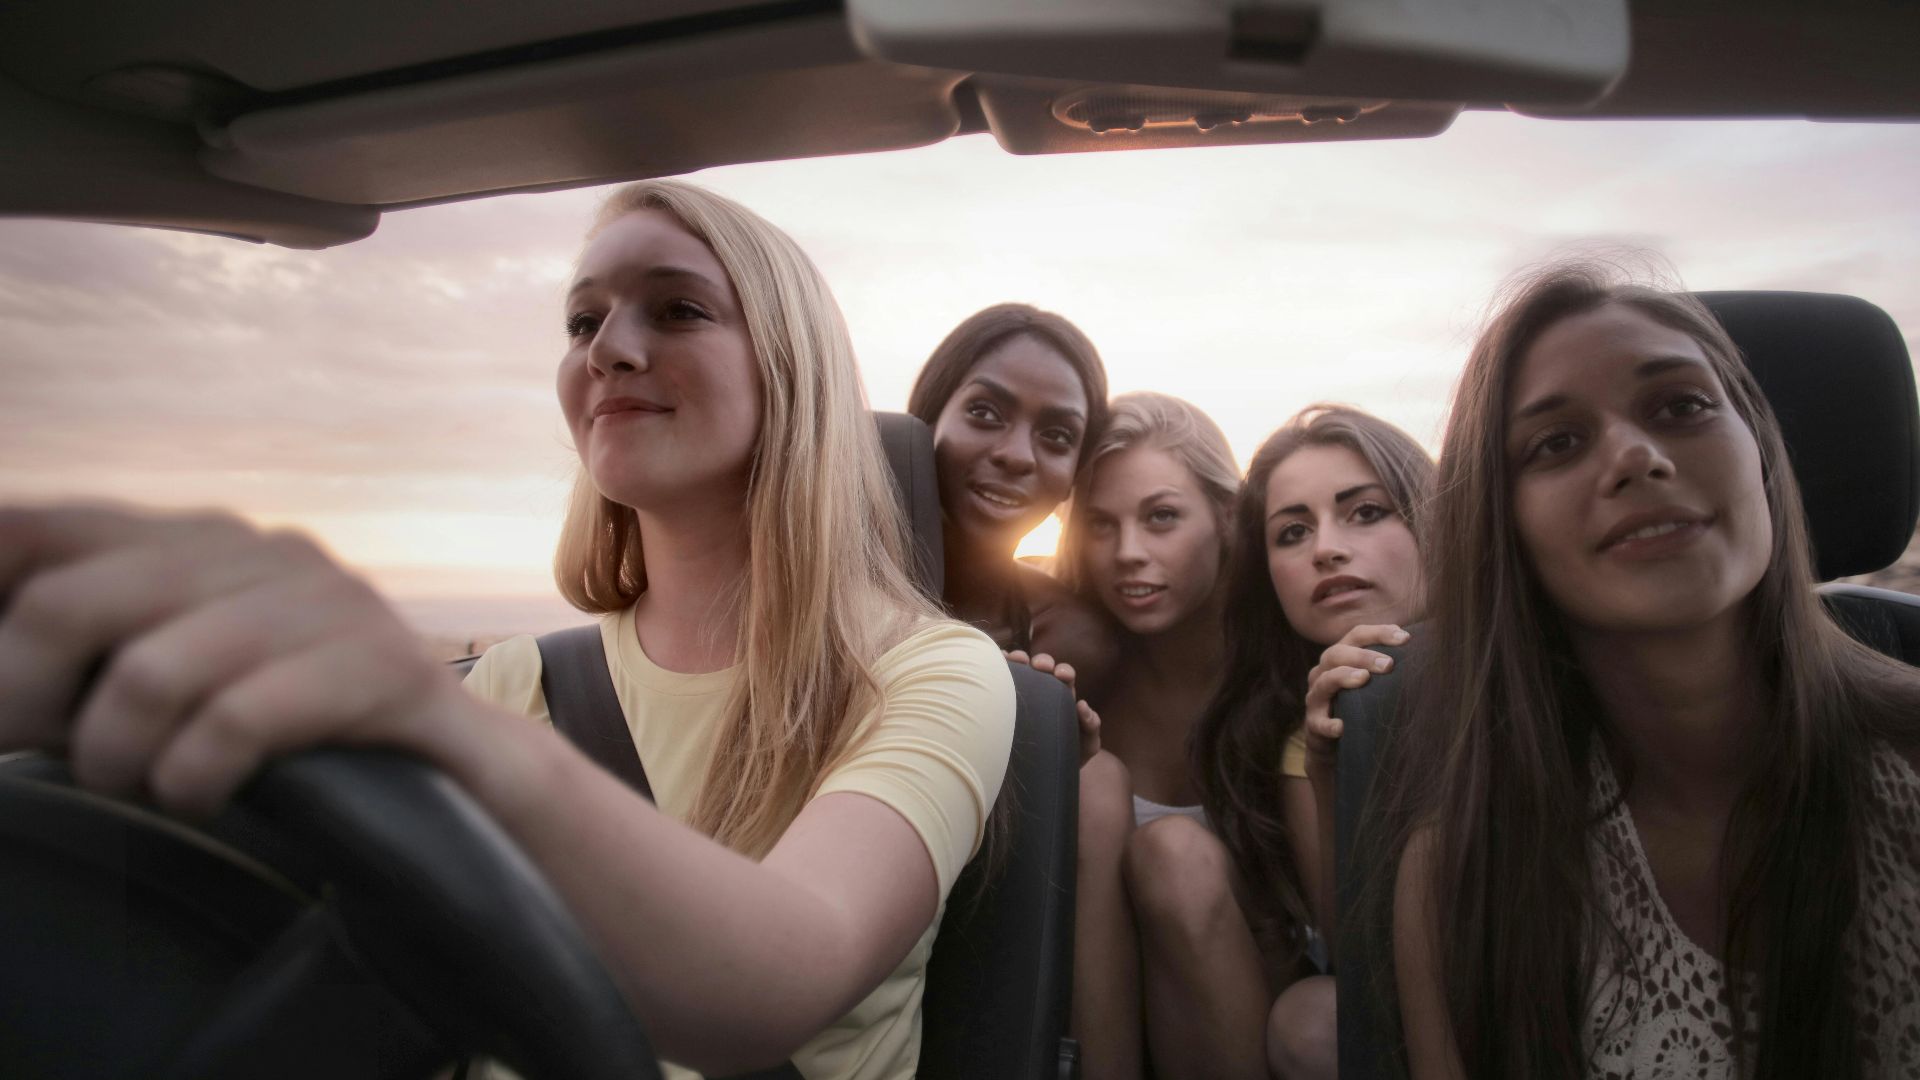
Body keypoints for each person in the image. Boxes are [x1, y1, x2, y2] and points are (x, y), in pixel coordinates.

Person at [0, 179, 1016, 1080]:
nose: (610, 349)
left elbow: (786, 975)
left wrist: (439, 719)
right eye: (582, 323)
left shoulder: (935, 673)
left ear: (794, 372)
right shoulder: (515, 680)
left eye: (678, 309)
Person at [1375, 261, 1920, 1078]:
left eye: (1682, 406)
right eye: (1557, 443)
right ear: (1505, 531)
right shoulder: (1463, 868)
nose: (1635, 455)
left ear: (1763, 455)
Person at [1122, 405, 1432, 1080]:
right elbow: (1364, 963)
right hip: (1398, 1014)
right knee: (1311, 1024)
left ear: (1430, 518)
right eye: (1292, 532)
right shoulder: (1297, 731)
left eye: (1367, 512)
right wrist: (1325, 764)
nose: (1326, 547)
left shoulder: (1535, 662)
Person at [1055, 391, 1242, 1080]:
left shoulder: (1288, 668)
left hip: (1276, 1033)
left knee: (1173, 855)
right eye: (1101, 525)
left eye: (1161, 517)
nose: (1127, 554)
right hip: (1112, 1044)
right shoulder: (1080, 677)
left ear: (1226, 516)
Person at [906, 302, 1116, 695]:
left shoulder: (1071, 641)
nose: (1017, 455)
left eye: (1057, 436)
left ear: (1076, 472)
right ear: (927, 418)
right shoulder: (825, 589)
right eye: (984, 413)